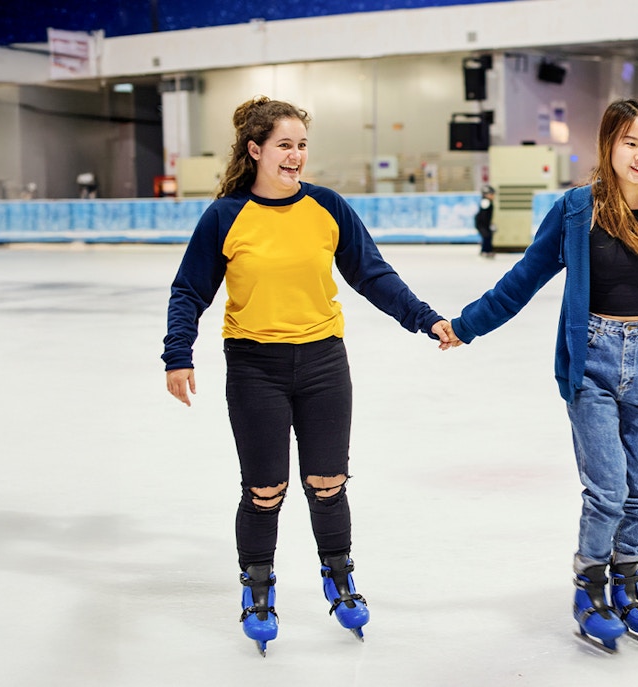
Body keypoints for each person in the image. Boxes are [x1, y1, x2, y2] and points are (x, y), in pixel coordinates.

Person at [445, 99, 638, 652]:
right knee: (608, 489)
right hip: (591, 359)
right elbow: (523, 278)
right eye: (629, 143)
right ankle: (589, 590)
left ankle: (628, 585)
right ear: (608, 146)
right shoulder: (577, 211)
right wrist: (465, 326)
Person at [162, 96, 457, 655]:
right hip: (255, 367)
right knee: (265, 489)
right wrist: (178, 354)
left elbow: (372, 274)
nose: (295, 156)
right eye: (284, 145)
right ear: (255, 151)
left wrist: (425, 317)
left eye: (301, 145)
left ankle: (339, 576)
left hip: (323, 363)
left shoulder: (327, 207)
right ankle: (257, 588)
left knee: (328, 483)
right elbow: (189, 290)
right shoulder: (225, 216)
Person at [475, 184, 496, 258]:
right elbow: (483, 216)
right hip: (482, 224)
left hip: (484, 224)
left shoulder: (488, 201)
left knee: (488, 236)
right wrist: (487, 226)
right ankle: (485, 251)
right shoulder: (485, 202)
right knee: (486, 236)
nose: (493, 196)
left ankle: (487, 250)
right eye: (491, 194)